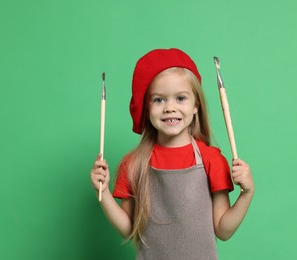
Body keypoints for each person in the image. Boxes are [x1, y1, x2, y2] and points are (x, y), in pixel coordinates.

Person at [90, 48, 254, 259]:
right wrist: (101, 192)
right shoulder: (133, 164)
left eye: (180, 98)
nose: (170, 108)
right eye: (159, 100)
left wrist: (246, 194)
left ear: (196, 105)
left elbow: (223, 230)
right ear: (146, 109)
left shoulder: (212, 159)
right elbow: (129, 230)